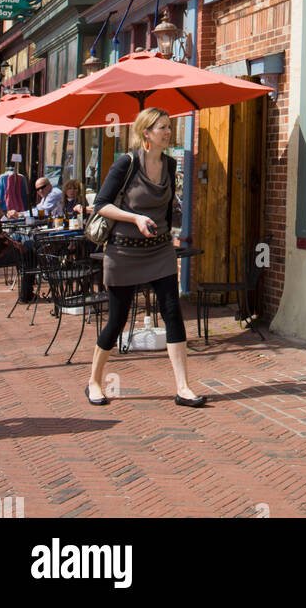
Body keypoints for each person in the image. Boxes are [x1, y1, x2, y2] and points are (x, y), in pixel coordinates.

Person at [86, 108, 207, 409]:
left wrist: (172, 233)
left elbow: (166, 208)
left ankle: (183, 387)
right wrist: (135, 218)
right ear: (145, 133)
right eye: (161, 127)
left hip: (160, 251)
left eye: (169, 127)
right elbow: (101, 204)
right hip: (124, 251)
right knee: (116, 321)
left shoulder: (169, 163)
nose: (168, 132)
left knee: (173, 314)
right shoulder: (125, 163)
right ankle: (95, 381)